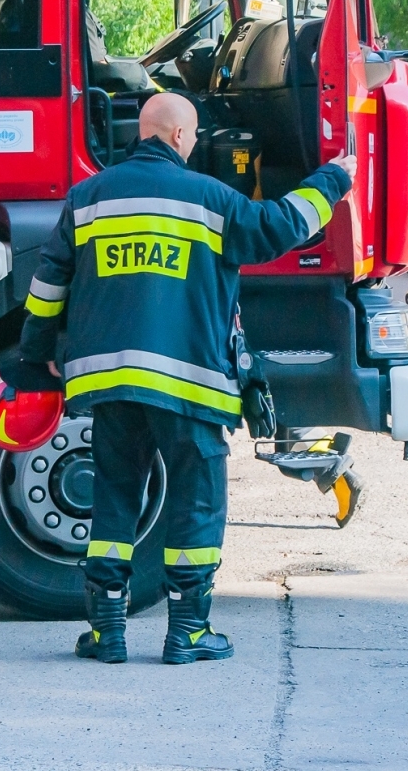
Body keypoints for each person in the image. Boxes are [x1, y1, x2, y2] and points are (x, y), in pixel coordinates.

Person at [20, 92, 356, 664]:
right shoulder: (210, 198)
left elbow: (49, 282)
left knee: (114, 499)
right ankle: (189, 632)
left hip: (112, 385)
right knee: (196, 502)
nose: (195, 143)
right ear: (178, 136)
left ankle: (107, 632)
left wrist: (36, 353)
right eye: (194, 135)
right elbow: (279, 226)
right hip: (189, 384)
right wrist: (332, 179)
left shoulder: (88, 197)